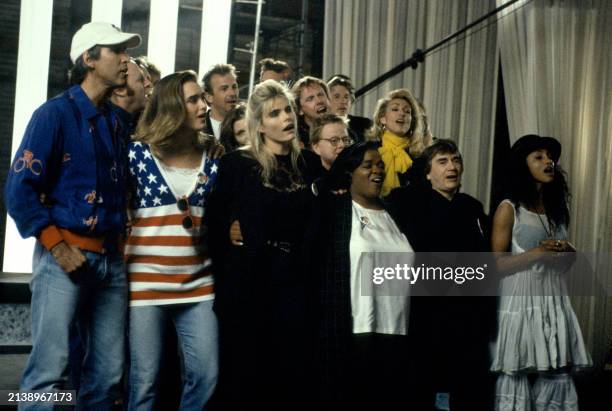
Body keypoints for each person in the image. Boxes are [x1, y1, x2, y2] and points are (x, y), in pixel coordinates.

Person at [4, 21, 140, 409]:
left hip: (110, 263)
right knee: (48, 372)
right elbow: (18, 191)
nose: (126, 60)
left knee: (109, 374)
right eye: (117, 51)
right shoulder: (53, 115)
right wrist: (58, 248)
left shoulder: (116, 122)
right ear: (89, 59)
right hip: (63, 259)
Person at [207, 79, 320, 411]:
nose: (285, 118)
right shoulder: (236, 165)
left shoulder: (310, 165)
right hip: (248, 285)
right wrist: (228, 230)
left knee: (289, 380)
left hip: (295, 283)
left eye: (287, 110)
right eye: (274, 113)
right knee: (244, 380)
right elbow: (213, 225)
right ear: (259, 124)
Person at [125, 70, 219, 410]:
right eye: (193, 99)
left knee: (206, 375)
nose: (203, 105)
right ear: (171, 106)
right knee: (145, 382)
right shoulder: (136, 154)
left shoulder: (215, 157)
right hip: (146, 283)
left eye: (202, 98)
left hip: (199, 283)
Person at [386, 139, 494, 411]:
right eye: (443, 161)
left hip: (468, 317)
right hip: (426, 315)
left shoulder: (472, 207)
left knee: (468, 390)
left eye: (456, 160)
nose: (452, 167)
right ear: (427, 172)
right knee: (421, 389)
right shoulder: (406, 201)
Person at [490, 134, 591, 410]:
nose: (549, 162)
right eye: (539, 157)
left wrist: (568, 253)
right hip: (521, 300)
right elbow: (496, 265)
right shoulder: (509, 208)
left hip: (553, 298)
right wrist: (538, 253)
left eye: (550, 158)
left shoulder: (557, 210)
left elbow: (563, 264)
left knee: (556, 369)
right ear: (523, 166)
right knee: (519, 371)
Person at [317, 142, 414, 410]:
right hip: (354, 331)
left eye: (380, 164)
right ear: (349, 173)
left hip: (398, 330)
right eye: (368, 165)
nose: (377, 171)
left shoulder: (396, 212)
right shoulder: (335, 211)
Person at [367, 88, 429, 196]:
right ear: (382, 119)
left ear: (411, 122)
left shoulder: (420, 157)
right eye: (395, 109)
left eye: (407, 111)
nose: (402, 114)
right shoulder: (368, 151)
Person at [109, 58, 152, 137]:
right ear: (120, 90)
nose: (149, 84)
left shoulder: (123, 124)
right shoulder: (106, 129)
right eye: (141, 80)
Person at [327, 74, 372, 142]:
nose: (343, 101)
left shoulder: (365, 124)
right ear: (327, 100)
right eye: (337, 97)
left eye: (346, 97)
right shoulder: (320, 127)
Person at [291, 76, 331, 147]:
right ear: (300, 110)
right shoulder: (294, 138)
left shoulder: (343, 130)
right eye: (310, 99)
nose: (319, 101)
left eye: (320, 94)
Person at [202, 63, 239, 139]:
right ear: (209, 97)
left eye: (234, 87)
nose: (232, 93)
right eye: (224, 89)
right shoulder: (197, 130)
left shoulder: (248, 127)